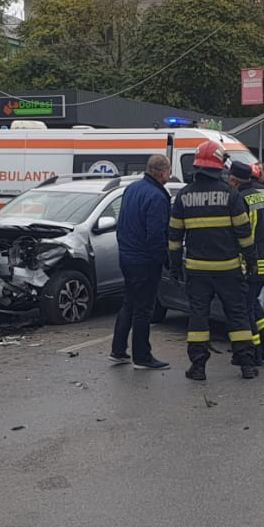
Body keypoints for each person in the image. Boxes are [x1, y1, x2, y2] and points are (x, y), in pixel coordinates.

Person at [169, 141, 258, 381]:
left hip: (197, 271)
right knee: (237, 316)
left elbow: (175, 238)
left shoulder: (184, 196)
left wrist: (174, 267)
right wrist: (251, 262)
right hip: (228, 268)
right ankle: (247, 365)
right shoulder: (231, 194)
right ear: (219, 166)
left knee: (198, 318)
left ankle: (198, 367)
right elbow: (244, 234)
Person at [109, 155, 173, 370]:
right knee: (143, 309)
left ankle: (118, 350)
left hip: (127, 256)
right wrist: (164, 260)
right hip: (144, 260)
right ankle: (142, 356)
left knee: (129, 302)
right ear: (162, 172)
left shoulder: (132, 189)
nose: (169, 175)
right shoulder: (156, 196)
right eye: (169, 171)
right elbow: (156, 235)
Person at [229, 160, 264, 361]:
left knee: (245, 309)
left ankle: (255, 351)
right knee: (252, 303)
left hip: (245, 264)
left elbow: (237, 233)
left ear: (234, 180)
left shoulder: (238, 200)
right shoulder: (263, 198)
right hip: (263, 264)